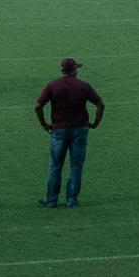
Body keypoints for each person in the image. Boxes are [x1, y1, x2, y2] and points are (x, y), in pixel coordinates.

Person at [34, 58, 104, 208]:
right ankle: (72, 200)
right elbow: (100, 104)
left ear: (62, 71)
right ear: (74, 70)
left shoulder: (53, 86)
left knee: (55, 165)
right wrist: (95, 124)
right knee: (76, 165)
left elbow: (38, 105)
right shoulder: (84, 86)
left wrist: (44, 124)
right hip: (80, 130)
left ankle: (52, 200)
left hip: (59, 129)